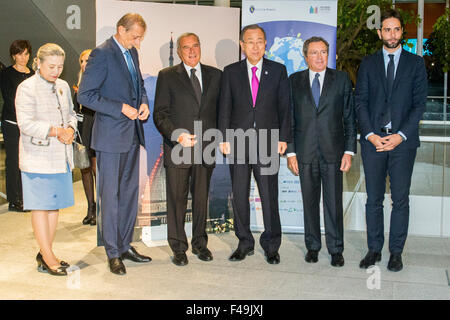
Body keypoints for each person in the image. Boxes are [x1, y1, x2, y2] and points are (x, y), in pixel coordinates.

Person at [78, 13, 151, 275]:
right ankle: (112, 252)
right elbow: (86, 95)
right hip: (110, 137)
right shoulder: (101, 54)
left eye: (140, 37)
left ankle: (124, 245)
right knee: (110, 197)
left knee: (130, 195)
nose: (138, 42)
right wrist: (120, 108)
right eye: (135, 36)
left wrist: (143, 102)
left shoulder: (131, 52)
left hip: (132, 134)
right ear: (121, 29)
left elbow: (138, 84)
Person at [355, 9, 428, 272]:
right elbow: (360, 102)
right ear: (379, 32)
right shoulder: (368, 63)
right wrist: (371, 135)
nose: (392, 34)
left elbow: (419, 105)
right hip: (373, 143)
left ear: (401, 32)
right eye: (387, 29)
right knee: (373, 199)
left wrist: (400, 136)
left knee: (400, 199)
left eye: (396, 29)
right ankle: (374, 249)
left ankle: (396, 252)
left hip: (402, 145)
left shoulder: (415, 63)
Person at [218, 24, 291, 264]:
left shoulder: (278, 71)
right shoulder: (230, 71)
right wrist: (224, 138)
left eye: (260, 41)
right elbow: (224, 107)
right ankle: (244, 242)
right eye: (250, 41)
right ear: (242, 45)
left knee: (269, 196)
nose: (255, 46)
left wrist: (284, 138)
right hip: (238, 143)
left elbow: (285, 107)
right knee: (239, 195)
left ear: (266, 44)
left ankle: (271, 245)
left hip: (269, 143)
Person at [286, 37, 357, 267]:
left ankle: (336, 249)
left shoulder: (342, 79)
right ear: (306, 56)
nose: (319, 57)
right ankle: (313, 247)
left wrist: (349, 151)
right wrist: (291, 153)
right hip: (305, 153)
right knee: (309, 203)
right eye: (314, 53)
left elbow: (349, 117)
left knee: (334, 203)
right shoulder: (293, 81)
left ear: (329, 54)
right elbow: (289, 120)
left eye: (323, 52)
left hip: (334, 153)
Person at [154, 33, 222, 266]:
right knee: (177, 200)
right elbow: (160, 114)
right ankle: (179, 248)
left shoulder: (216, 75)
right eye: (186, 48)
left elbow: (221, 112)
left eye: (195, 46)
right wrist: (177, 135)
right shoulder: (167, 76)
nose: (192, 51)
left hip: (206, 149)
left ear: (200, 48)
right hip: (179, 149)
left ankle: (200, 245)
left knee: (202, 200)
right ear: (179, 52)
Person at [15, 43, 77, 276]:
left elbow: (71, 113)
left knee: (54, 207)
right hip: (37, 158)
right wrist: (56, 131)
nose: (56, 71)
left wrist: (70, 128)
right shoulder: (26, 88)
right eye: (51, 66)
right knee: (41, 208)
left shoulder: (62, 86)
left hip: (60, 158)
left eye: (60, 66)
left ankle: (46, 252)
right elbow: (26, 123)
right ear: (38, 64)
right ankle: (47, 256)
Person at [0, 40, 33, 212]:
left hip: (29, 125)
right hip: (12, 123)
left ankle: (27, 196)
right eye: (20, 54)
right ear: (13, 55)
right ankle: (15, 199)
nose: (23, 57)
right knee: (14, 160)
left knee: (28, 161)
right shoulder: (6, 74)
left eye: (26, 53)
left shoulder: (33, 73)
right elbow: (9, 98)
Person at [73, 49, 96, 226]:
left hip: (97, 130)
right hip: (82, 131)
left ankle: (102, 209)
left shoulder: (100, 82)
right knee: (85, 170)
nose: (84, 63)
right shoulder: (77, 84)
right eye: (82, 60)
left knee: (97, 170)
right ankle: (90, 207)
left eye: (87, 60)